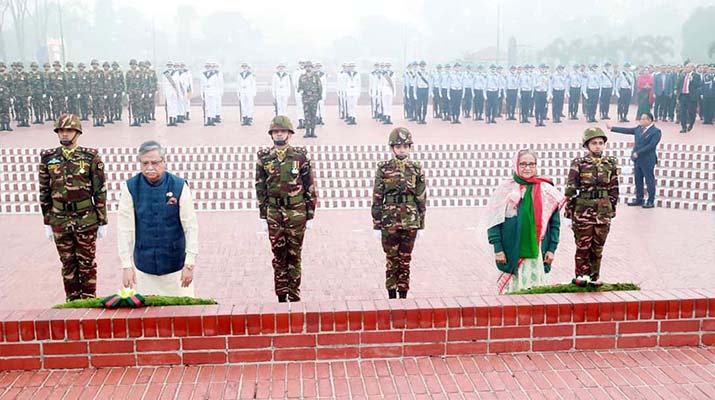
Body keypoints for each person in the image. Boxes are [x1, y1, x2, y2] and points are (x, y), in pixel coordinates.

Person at [39, 114, 108, 301]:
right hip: (59, 218)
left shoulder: (90, 157)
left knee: (86, 263)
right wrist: (47, 222)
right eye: (61, 131)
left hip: (85, 217)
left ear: (77, 132)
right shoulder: (48, 158)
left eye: (69, 130)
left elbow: (99, 190)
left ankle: (89, 300)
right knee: (67, 263)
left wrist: (102, 220)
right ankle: (72, 301)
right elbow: (44, 191)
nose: (64, 134)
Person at [117, 141, 198, 296]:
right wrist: (126, 266)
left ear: (164, 162)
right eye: (145, 163)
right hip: (144, 267)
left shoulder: (179, 186)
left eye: (155, 162)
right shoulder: (130, 187)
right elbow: (124, 229)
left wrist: (189, 264)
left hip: (176, 266)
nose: (149, 167)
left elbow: (191, 226)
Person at [255, 116, 317, 302]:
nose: (279, 134)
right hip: (274, 211)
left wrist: (310, 214)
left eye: (282, 131)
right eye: (275, 131)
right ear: (271, 135)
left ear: (289, 134)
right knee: (278, 254)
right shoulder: (264, 157)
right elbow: (260, 186)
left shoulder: (300, 156)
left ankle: (295, 294)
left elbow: (309, 185)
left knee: (294, 254)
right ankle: (281, 295)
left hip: (296, 211)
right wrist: (263, 215)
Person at [486, 149, 565, 294]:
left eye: (531, 164)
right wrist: (498, 249)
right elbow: (493, 222)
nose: (527, 168)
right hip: (511, 251)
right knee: (511, 297)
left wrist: (551, 249)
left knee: (536, 296)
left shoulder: (546, 190)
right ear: (515, 165)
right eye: (522, 164)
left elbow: (555, 224)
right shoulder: (506, 189)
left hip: (537, 252)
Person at [372, 127, 426, 299]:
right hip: (389, 220)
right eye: (398, 146)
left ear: (410, 148)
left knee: (405, 259)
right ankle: (391, 294)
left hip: (410, 220)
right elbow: (377, 196)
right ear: (392, 148)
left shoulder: (416, 169)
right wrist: (376, 223)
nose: (402, 149)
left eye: (405, 146)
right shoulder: (384, 168)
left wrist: (421, 224)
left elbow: (421, 197)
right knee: (391, 258)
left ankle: (403, 294)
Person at [564, 128, 619, 287]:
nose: (597, 146)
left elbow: (614, 188)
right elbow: (571, 189)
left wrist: (611, 208)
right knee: (583, 246)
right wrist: (569, 213)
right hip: (583, 211)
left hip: (603, 212)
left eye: (600, 143)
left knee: (597, 248)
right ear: (587, 145)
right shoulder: (579, 163)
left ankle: (594, 277)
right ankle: (581, 277)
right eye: (594, 143)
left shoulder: (610, 163)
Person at [606, 112, 661, 208]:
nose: (641, 120)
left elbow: (651, 146)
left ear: (649, 120)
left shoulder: (655, 131)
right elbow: (627, 130)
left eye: (643, 119)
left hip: (648, 159)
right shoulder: (638, 128)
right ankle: (639, 199)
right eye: (641, 118)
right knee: (638, 179)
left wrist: (638, 153)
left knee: (649, 180)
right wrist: (612, 128)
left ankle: (650, 200)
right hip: (637, 159)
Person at [297, 61, 323, 138]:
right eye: (306, 67)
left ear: (312, 68)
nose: (308, 68)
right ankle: (307, 131)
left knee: (313, 115)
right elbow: (299, 87)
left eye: (310, 67)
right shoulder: (302, 77)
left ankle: (313, 132)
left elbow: (320, 87)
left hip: (314, 97)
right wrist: (301, 91)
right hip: (305, 97)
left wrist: (319, 96)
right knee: (306, 114)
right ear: (305, 68)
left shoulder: (316, 76)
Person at [676, 63, 702, 133]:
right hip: (683, 95)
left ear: (692, 68)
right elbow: (679, 85)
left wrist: (692, 80)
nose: (686, 68)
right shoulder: (682, 75)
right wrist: (678, 93)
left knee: (691, 112)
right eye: (686, 67)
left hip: (691, 97)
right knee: (682, 112)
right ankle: (683, 127)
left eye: (688, 67)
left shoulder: (696, 76)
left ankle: (691, 124)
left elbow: (699, 85)